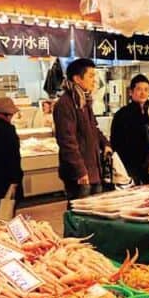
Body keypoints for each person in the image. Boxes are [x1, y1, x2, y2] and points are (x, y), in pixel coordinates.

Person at [54, 58, 111, 199]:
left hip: (93, 169)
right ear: (77, 79)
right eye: (91, 76)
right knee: (80, 216)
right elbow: (67, 142)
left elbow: (94, 129)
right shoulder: (65, 104)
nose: (94, 80)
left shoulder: (84, 101)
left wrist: (105, 144)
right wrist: (80, 170)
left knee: (95, 214)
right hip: (80, 174)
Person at [110, 74, 149, 185]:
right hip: (131, 164)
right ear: (131, 92)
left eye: (146, 89)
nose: (143, 93)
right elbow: (115, 141)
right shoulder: (122, 114)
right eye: (139, 89)